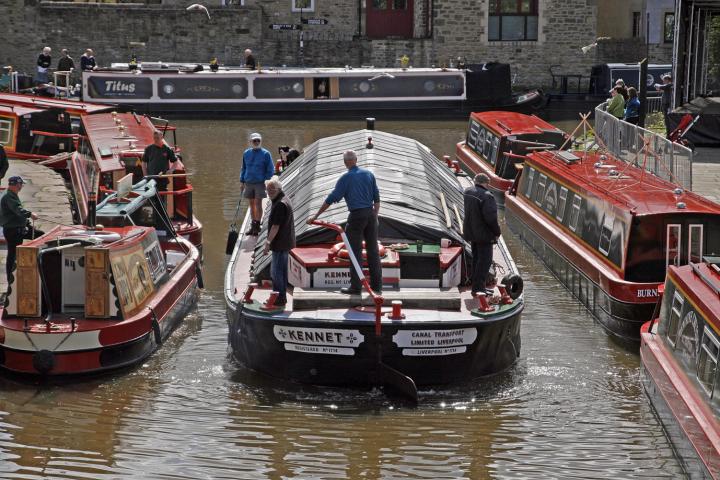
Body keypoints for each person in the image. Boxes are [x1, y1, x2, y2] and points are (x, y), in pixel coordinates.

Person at [307, 150, 382, 295]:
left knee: (355, 252)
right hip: (370, 214)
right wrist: (375, 217)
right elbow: (377, 198)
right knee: (373, 252)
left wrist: (315, 216)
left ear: (345, 162)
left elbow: (331, 199)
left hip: (356, 216)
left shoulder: (345, 178)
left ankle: (356, 287)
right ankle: (377, 286)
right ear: (356, 159)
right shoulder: (369, 174)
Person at [0, 176, 44, 284]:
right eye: (21, 184)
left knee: (40, 235)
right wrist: (30, 214)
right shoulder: (8, 196)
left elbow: (17, 213)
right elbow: (17, 210)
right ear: (16, 184)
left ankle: (37, 263)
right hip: (12, 231)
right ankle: (10, 278)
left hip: (18, 228)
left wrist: (28, 225)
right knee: (12, 254)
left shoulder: (11, 194)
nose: (21, 187)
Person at [463, 173, 501, 297]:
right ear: (485, 183)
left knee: (476, 260)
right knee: (484, 262)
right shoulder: (487, 196)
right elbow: (491, 219)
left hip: (472, 232)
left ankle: (478, 287)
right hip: (484, 236)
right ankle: (479, 289)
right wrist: (497, 232)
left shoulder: (468, 191)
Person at [263, 177, 296, 307]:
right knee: (280, 271)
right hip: (284, 242)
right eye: (267, 190)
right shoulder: (281, 199)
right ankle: (280, 296)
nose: (269, 192)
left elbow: (275, 226)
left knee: (276, 272)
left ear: (279, 189)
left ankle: (279, 298)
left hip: (281, 243)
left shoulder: (280, 204)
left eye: (272, 189)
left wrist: (267, 242)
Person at [240, 132, 274, 236]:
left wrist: (265, 180)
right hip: (248, 182)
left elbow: (270, 169)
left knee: (258, 203)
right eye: (254, 140)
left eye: (258, 140)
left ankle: (257, 225)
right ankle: (253, 225)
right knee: (251, 204)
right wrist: (242, 181)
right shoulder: (246, 153)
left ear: (260, 141)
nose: (256, 142)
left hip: (260, 183)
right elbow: (243, 168)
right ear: (250, 141)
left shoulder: (266, 154)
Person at [142, 130, 178, 195]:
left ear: (162, 138)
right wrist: (145, 174)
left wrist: (171, 170)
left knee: (161, 199)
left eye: (157, 138)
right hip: (151, 178)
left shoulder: (167, 149)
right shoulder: (148, 149)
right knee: (151, 198)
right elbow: (144, 162)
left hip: (162, 179)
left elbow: (175, 162)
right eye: (154, 138)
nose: (155, 140)